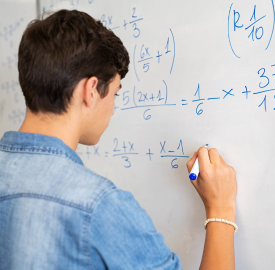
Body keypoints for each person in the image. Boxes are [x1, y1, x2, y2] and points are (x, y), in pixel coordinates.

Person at [0, 9, 237, 270]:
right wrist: (221, 209)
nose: (113, 108)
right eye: (115, 93)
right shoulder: (100, 206)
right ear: (91, 91)